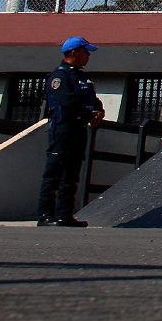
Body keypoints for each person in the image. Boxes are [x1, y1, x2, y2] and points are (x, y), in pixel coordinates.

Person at [38, 36, 105, 228]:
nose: (88, 56)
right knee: (54, 173)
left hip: (79, 130)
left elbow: (93, 99)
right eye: (85, 52)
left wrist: (98, 111)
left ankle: (64, 215)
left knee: (71, 174)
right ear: (73, 53)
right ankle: (45, 215)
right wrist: (87, 113)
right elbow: (67, 103)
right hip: (63, 129)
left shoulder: (82, 77)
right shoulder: (59, 77)